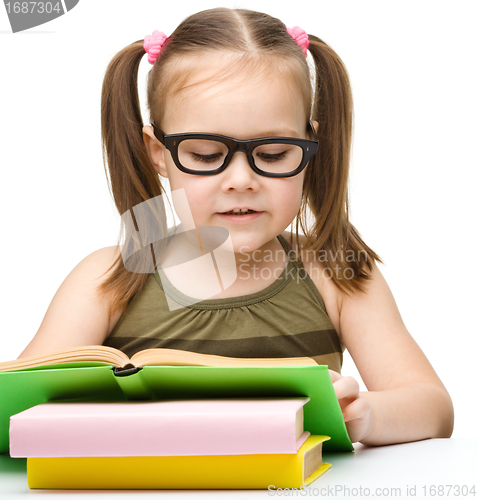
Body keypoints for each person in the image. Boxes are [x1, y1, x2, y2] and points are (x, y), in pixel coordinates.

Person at [18, 7, 453, 446]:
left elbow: (432, 408)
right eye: (206, 154)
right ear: (157, 152)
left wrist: (367, 414)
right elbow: (15, 408)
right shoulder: (107, 278)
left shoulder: (334, 272)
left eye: (274, 153)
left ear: (310, 146)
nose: (241, 180)